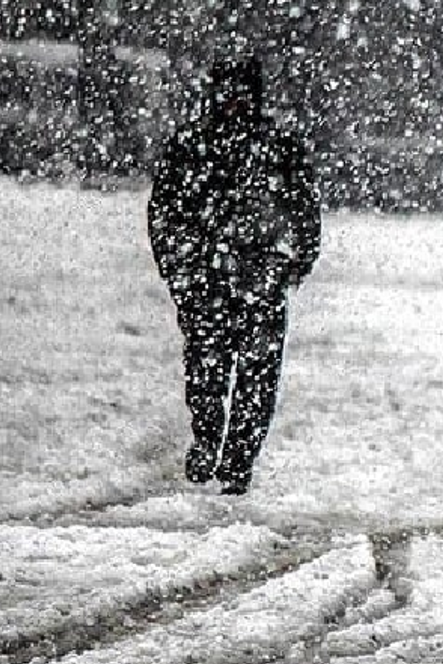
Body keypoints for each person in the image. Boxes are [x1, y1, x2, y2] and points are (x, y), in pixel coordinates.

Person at [147, 54, 320, 495]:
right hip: (209, 280)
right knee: (207, 370)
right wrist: (180, 270)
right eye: (228, 93)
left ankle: (238, 460)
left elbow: (304, 214)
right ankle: (208, 441)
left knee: (254, 378)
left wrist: (290, 265)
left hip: (258, 280)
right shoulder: (193, 148)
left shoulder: (275, 149)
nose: (234, 102)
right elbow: (165, 215)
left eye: (241, 94)